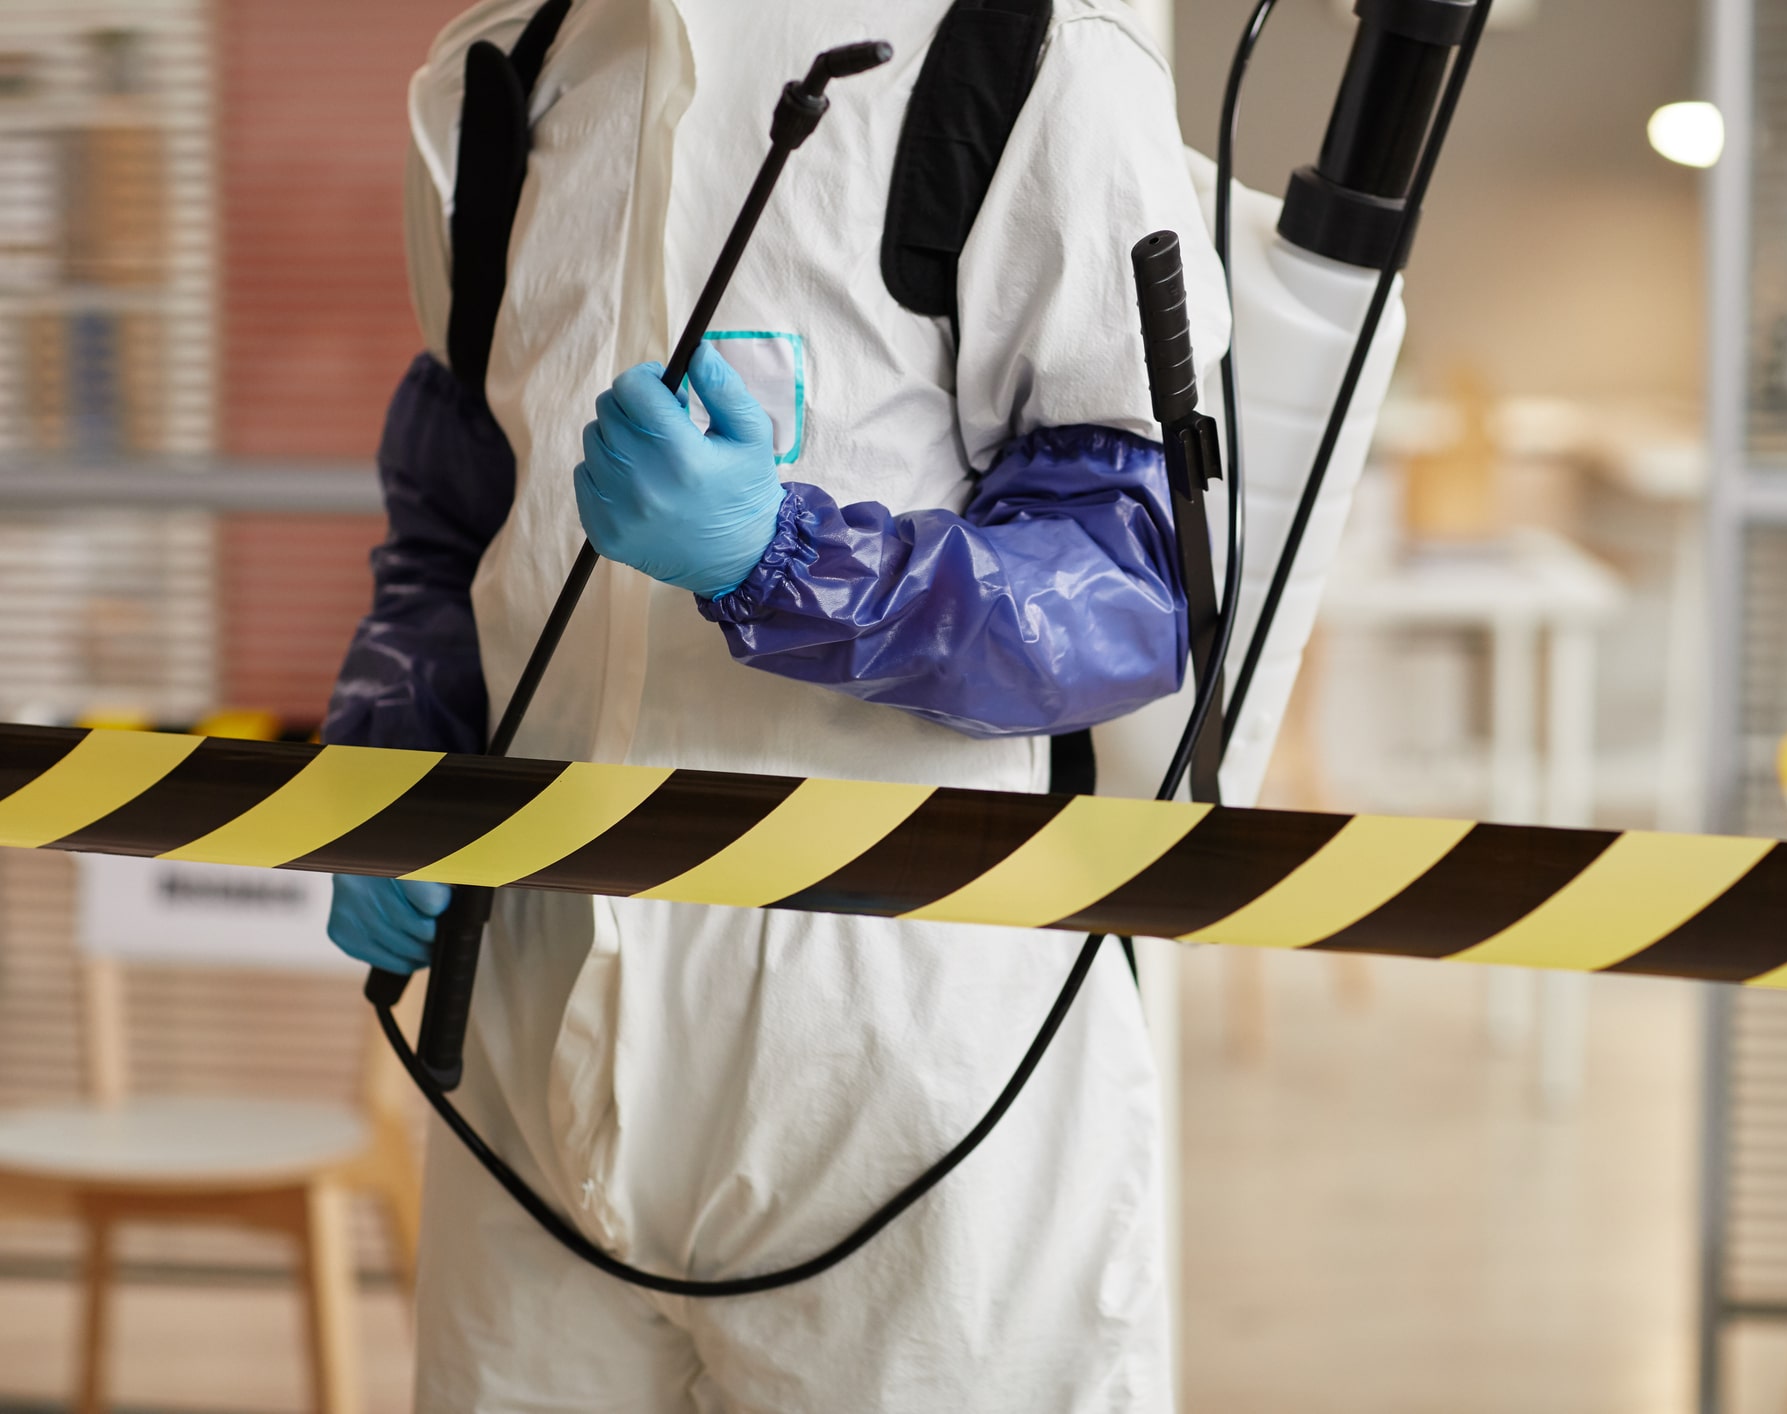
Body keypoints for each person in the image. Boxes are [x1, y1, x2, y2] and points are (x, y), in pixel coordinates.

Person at [322, 1, 1225, 1408]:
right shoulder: (496, 78)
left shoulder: (1031, 60)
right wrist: (396, 760)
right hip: (515, 1038)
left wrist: (790, 563)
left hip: (902, 1070)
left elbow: (1133, 591)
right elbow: (451, 519)